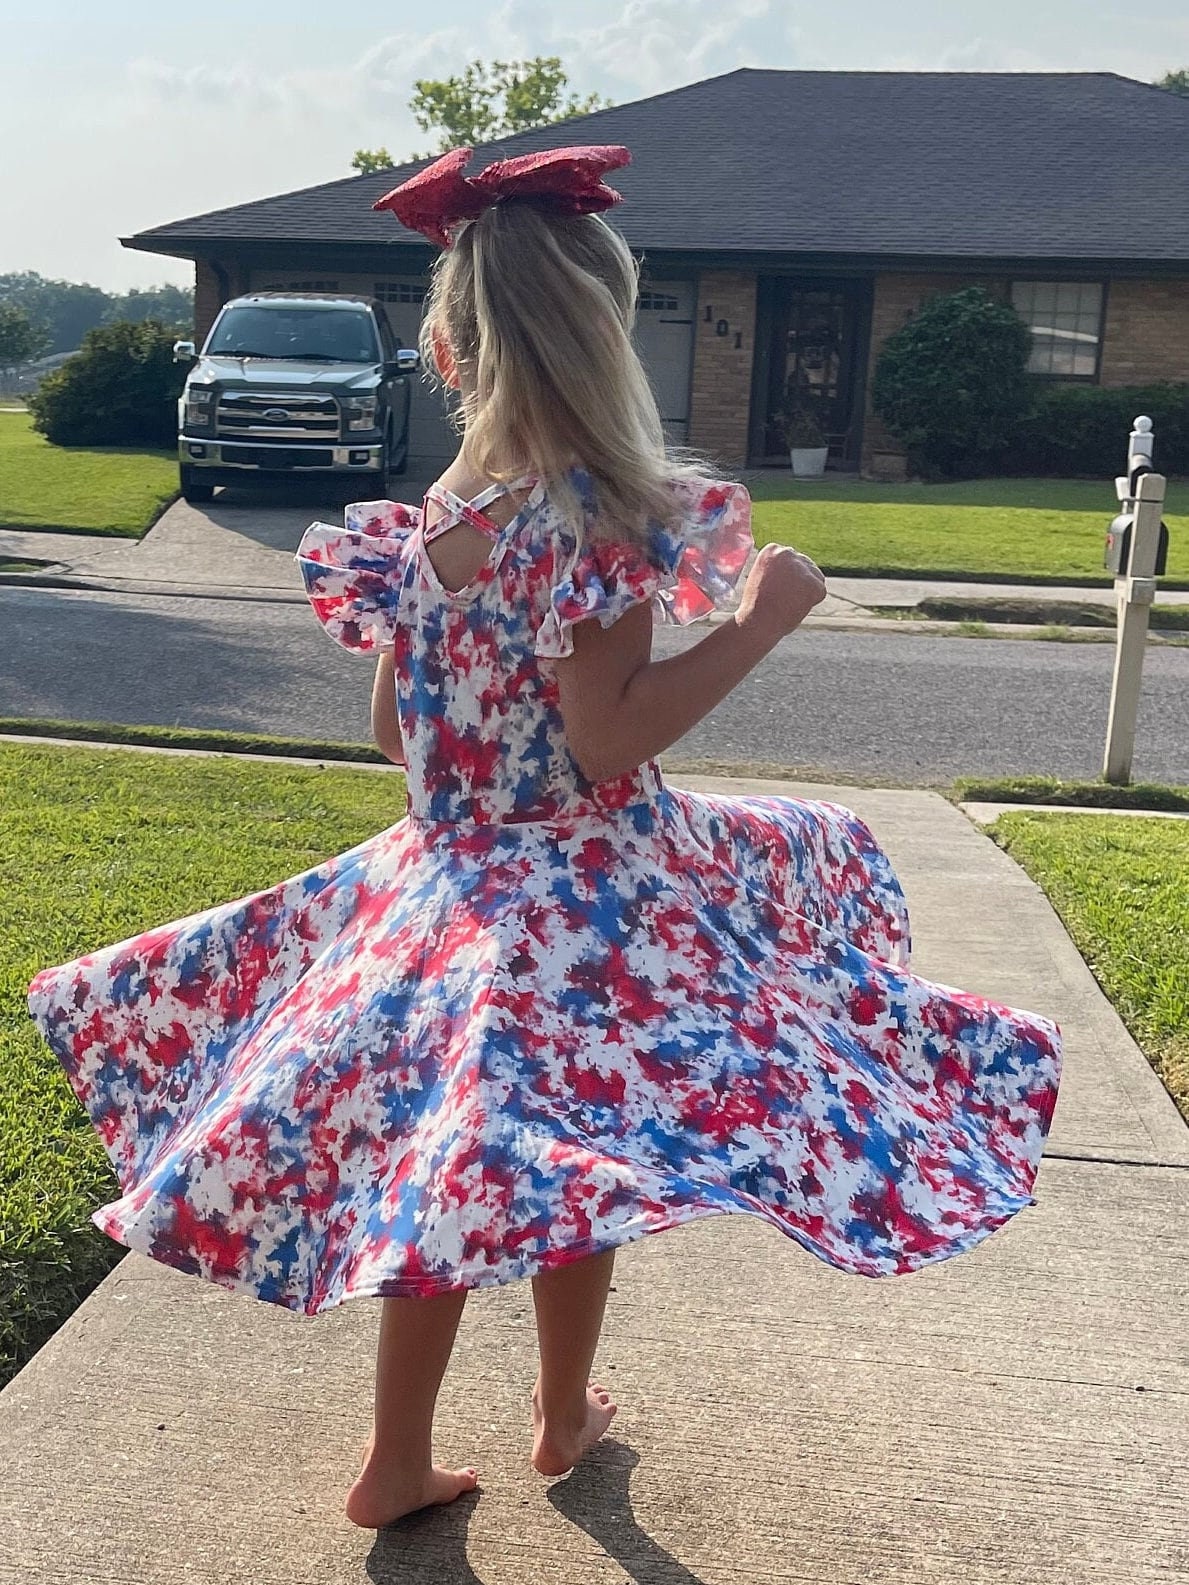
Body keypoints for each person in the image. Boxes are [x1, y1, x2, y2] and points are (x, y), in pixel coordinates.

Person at [27, 144, 1062, 1532]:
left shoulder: (435, 524)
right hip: (578, 900)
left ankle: (402, 1453)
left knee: (459, 1170)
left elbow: (399, 734)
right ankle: (558, 1410)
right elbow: (606, 742)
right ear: (601, 336)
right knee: (575, 1162)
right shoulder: (593, 520)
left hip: (441, 886)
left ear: (450, 353)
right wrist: (759, 623)